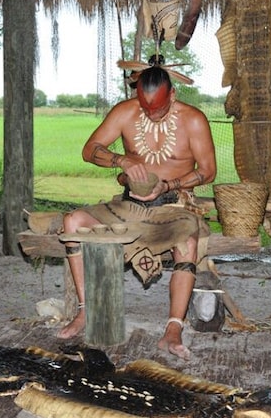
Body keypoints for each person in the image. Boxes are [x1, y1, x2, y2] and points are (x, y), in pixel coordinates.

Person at [57, 65, 216, 360]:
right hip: (129, 205)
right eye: (146, 108)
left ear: (173, 95)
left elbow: (207, 172)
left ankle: (173, 329)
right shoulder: (126, 112)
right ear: (138, 97)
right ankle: (86, 312)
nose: (152, 114)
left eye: (159, 109)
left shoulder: (193, 120)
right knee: (73, 221)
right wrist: (122, 161)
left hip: (173, 205)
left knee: (188, 242)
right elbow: (89, 149)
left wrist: (169, 184)